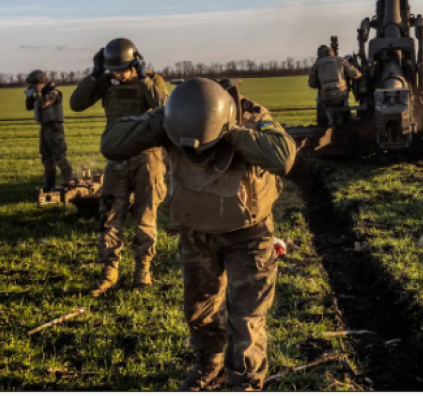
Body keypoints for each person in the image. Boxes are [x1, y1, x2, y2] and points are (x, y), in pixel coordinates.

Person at [100, 77, 296, 390]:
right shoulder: (171, 118)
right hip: (196, 235)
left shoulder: (252, 115)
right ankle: (210, 367)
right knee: (200, 311)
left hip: (250, 235)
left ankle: (245, 381)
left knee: (246, 320)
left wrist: (233, 134)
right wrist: (159, 124)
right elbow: (111, 143)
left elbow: (283, 156)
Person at [69, 38, 169, 295]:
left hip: (148, 158)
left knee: (146, 216)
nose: (117, 73)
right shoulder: (105, 82)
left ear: (135, 62)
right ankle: (109, 272)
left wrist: (145, 78)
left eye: (122, 68)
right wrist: (93, 76)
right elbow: (76, 104)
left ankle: (142, 270)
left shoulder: (152, 80)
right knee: (109, 215)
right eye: (112, 69)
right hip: (117, 158)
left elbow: (165, 108)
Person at [25, 70, 75, 192]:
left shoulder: (54, 93)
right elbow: (29, 107)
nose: (31, 86)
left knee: (59, 156)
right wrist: (29, 96)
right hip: (44, 127)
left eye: (33, 84)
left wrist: (39, 92)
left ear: (41, 83)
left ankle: (70, 182)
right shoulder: (39, 94)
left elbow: (44, 104)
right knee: (47, 158)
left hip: (54, 127)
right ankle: (49, 184)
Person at [308, 44, 361, 126]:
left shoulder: (317, 64)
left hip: (326, 96)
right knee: (344, 100)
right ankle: (343, 120)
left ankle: (330, 123)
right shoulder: (340, 60)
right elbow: (355, 74)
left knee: (323, 101)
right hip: (341, 94)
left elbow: (312, 84)